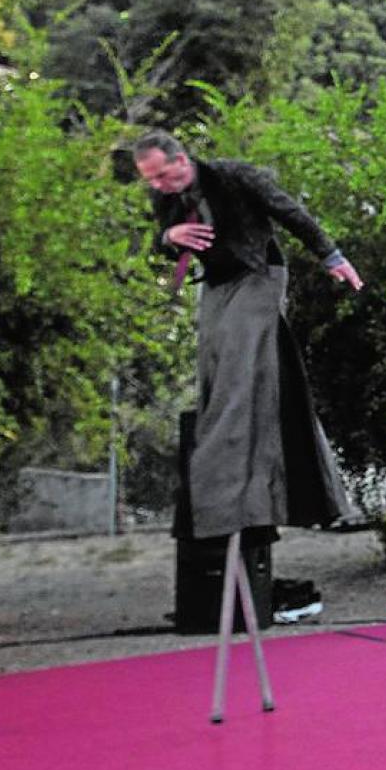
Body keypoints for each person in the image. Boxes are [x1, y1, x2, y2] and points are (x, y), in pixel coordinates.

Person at [135, 131, 361, 544]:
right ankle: (233, 494)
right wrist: (169, 238)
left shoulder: (233, 176)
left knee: (238, 371)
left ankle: (225, 494)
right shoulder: (164, 198)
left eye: (163, 176)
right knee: (213, 372)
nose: (158, 186)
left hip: (259, 274)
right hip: (217, 284)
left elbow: (290, 212)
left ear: (182, 160)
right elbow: (160, 248)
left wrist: (332, 257)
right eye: (150, 180)